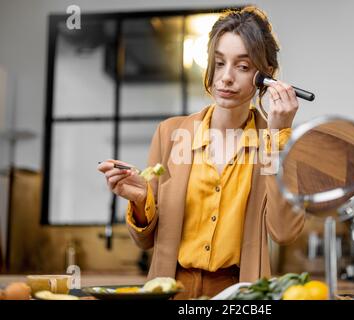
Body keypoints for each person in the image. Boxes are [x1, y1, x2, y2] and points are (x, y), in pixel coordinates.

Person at [97, 6, 305, 299]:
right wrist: (142, 199)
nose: (226, 78)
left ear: (266, 76)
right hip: (171, 289)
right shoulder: (169, 134)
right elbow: (143, 240)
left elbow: (284, 232)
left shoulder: (273, 142)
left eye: (242, 67)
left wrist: (277, 136)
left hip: (239, 293)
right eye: (219, 63)